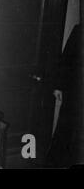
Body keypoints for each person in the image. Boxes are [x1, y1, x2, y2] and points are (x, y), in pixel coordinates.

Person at [46, 23, 82, 167]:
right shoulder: (80, 30)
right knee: (67, 128)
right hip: (76, 91)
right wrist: (58, 86)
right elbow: (66, 59)